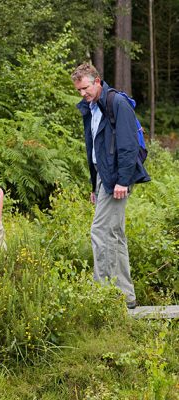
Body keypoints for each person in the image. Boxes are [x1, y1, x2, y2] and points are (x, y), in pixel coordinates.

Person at [71, 63, 151, 309]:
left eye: (85, 88)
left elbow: (127, 147)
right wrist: (94, 186)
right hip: (104, 178)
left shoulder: (117, 103)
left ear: (97, 81)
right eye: (78, 90)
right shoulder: (92, 107)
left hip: (117, 178)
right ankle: (125, 297)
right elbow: (94, 149)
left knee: (100, 231)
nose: (82, 93)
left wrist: (122, 181)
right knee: (114, 234)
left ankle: (103, 294)